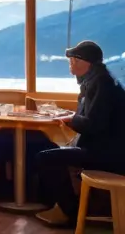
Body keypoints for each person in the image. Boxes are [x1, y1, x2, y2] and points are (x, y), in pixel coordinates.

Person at [35, 40, 125, 226]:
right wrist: (71, 119)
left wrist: (69, 119)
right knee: (49, 149)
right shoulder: (96, 80)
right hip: (105, 149)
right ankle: (65, 207)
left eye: (76, 59)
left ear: (89, 63)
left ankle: (71, 213)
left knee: (46, 158)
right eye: (71, 59)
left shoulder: (101, 83)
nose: (71, 62)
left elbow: (94, 125)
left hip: (110, 155)